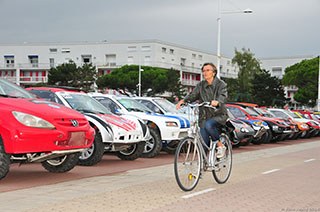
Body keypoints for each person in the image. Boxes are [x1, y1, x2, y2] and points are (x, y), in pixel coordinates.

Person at [176, 63, 228, 158]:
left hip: (219, 115)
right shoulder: (200, 85)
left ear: (214, 72)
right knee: (203, 144)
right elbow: (193, 95)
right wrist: (184, 100)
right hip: (204, 117)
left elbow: (223, 96)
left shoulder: (221, 84)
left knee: (209, 125)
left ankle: (220, 145)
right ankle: (202, 167)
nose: (205, 73)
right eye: (203, 71)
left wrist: (217, 102)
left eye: (208, 70)